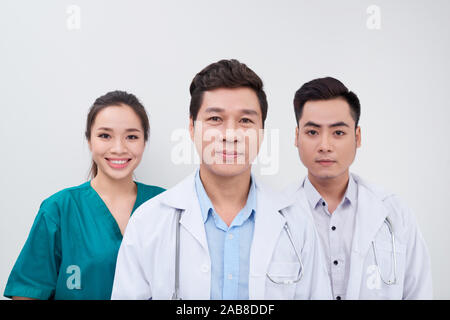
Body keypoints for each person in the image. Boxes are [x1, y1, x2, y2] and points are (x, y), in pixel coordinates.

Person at [111, 59, 331, 300]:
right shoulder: (148, 222)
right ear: (192, 128)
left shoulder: (297, 224)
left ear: (262, 132)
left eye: (245, 120)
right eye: (215, 119)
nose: (230, 134)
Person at [4, 90, 165, 300]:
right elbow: (28, 292)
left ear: (144, 142)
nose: (118, 148)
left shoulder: (166, 206)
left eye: (132, 136)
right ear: (89, 140)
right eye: (105, 135)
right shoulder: (59, 209)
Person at [288, 77, 432, 299]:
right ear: (297, 137)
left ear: (357, 137)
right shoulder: (276, 213)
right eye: (313, 132)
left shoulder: (395, 213)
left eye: (338, 133)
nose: (325, 146)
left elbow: (418, 292)